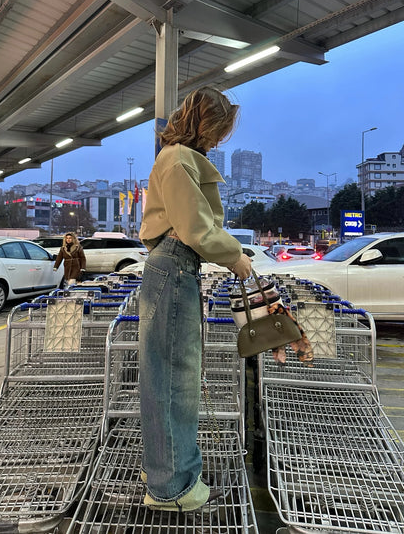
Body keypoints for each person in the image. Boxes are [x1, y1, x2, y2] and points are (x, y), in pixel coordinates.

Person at [138, 86, 252, 512]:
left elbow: (191, 225)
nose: (221, 139)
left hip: (168, 268)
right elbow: (195, 227)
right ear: (206, 124)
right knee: (175, 379)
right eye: (219, 129)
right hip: (175, 266)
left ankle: (163, 473)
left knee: (163, 376)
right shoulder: (179, 161)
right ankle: (175, 488)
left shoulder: (172, 158)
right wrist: (235, 257)